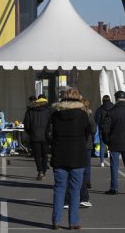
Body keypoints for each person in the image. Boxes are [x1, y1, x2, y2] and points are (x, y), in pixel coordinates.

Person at [48, 88, 90, 230]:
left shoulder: (56, 115)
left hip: (59, 154)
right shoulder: (83, 115)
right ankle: (73, 222)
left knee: (59, 189)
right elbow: (88, 133)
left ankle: (56, 221)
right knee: (75, 190)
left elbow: (49, 134)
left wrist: (55, 143)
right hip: (77, 155)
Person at [23, 94, 51, 181]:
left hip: (34, 135)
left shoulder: (30, 111)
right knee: (44, 155)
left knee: (37, 155)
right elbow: (51, 124)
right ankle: (44, 170)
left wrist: (30, 132)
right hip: (45, 136)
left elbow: (26, 124)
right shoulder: (48, 111)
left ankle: (40, 171)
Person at [80, 98, 96, 207]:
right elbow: (94, 130)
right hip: (88, 144)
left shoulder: (79, 116)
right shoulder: (89, 116)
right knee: (87, 165)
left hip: (80, 144)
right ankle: (86, 181)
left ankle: (84, 183)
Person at [94, 95, 114, 167]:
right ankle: (112, 161)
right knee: (111, 146)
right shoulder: (114, 108)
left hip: (102, 129)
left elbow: (96, 119)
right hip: (111, 129)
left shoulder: (100, 109)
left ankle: (102, 162)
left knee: (102, 146)